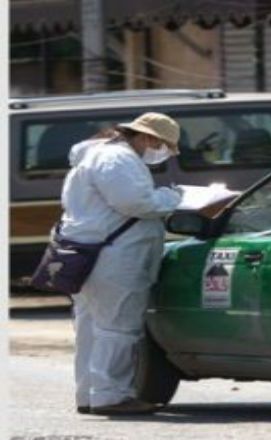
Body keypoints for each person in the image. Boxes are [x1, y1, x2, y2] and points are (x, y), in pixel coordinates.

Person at [61, 113, 183, 415]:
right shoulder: (118, 159)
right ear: (146, 137)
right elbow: (137, 203)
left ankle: (89, 395)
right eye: (162, 145)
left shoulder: (96, 156)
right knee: (119, 328)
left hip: (90, 253)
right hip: (115, 257)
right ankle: (111, 396)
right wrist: (176, 197)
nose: (161, 152)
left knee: (91, 326)